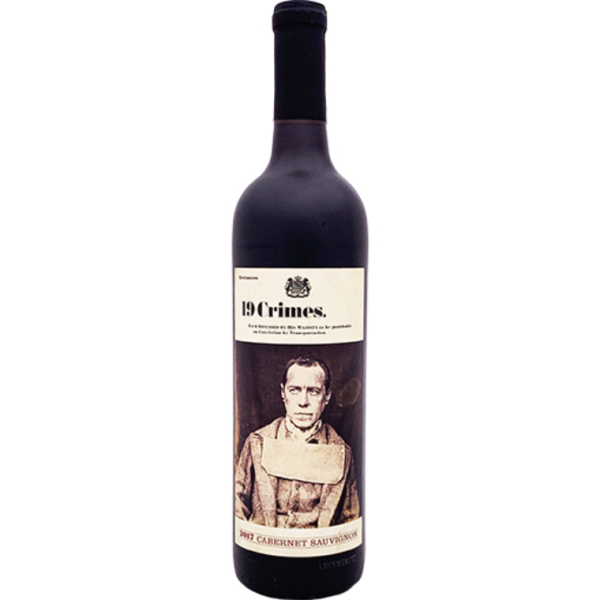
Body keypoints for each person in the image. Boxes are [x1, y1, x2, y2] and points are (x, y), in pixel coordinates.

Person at [235, 357, 360, 529]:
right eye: (294, 390)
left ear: (327, 396)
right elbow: (236, 503)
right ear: (283, 393)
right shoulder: (257, 442)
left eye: (314, 391)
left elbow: (350, 517)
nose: (303, 402)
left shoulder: (342, 452)